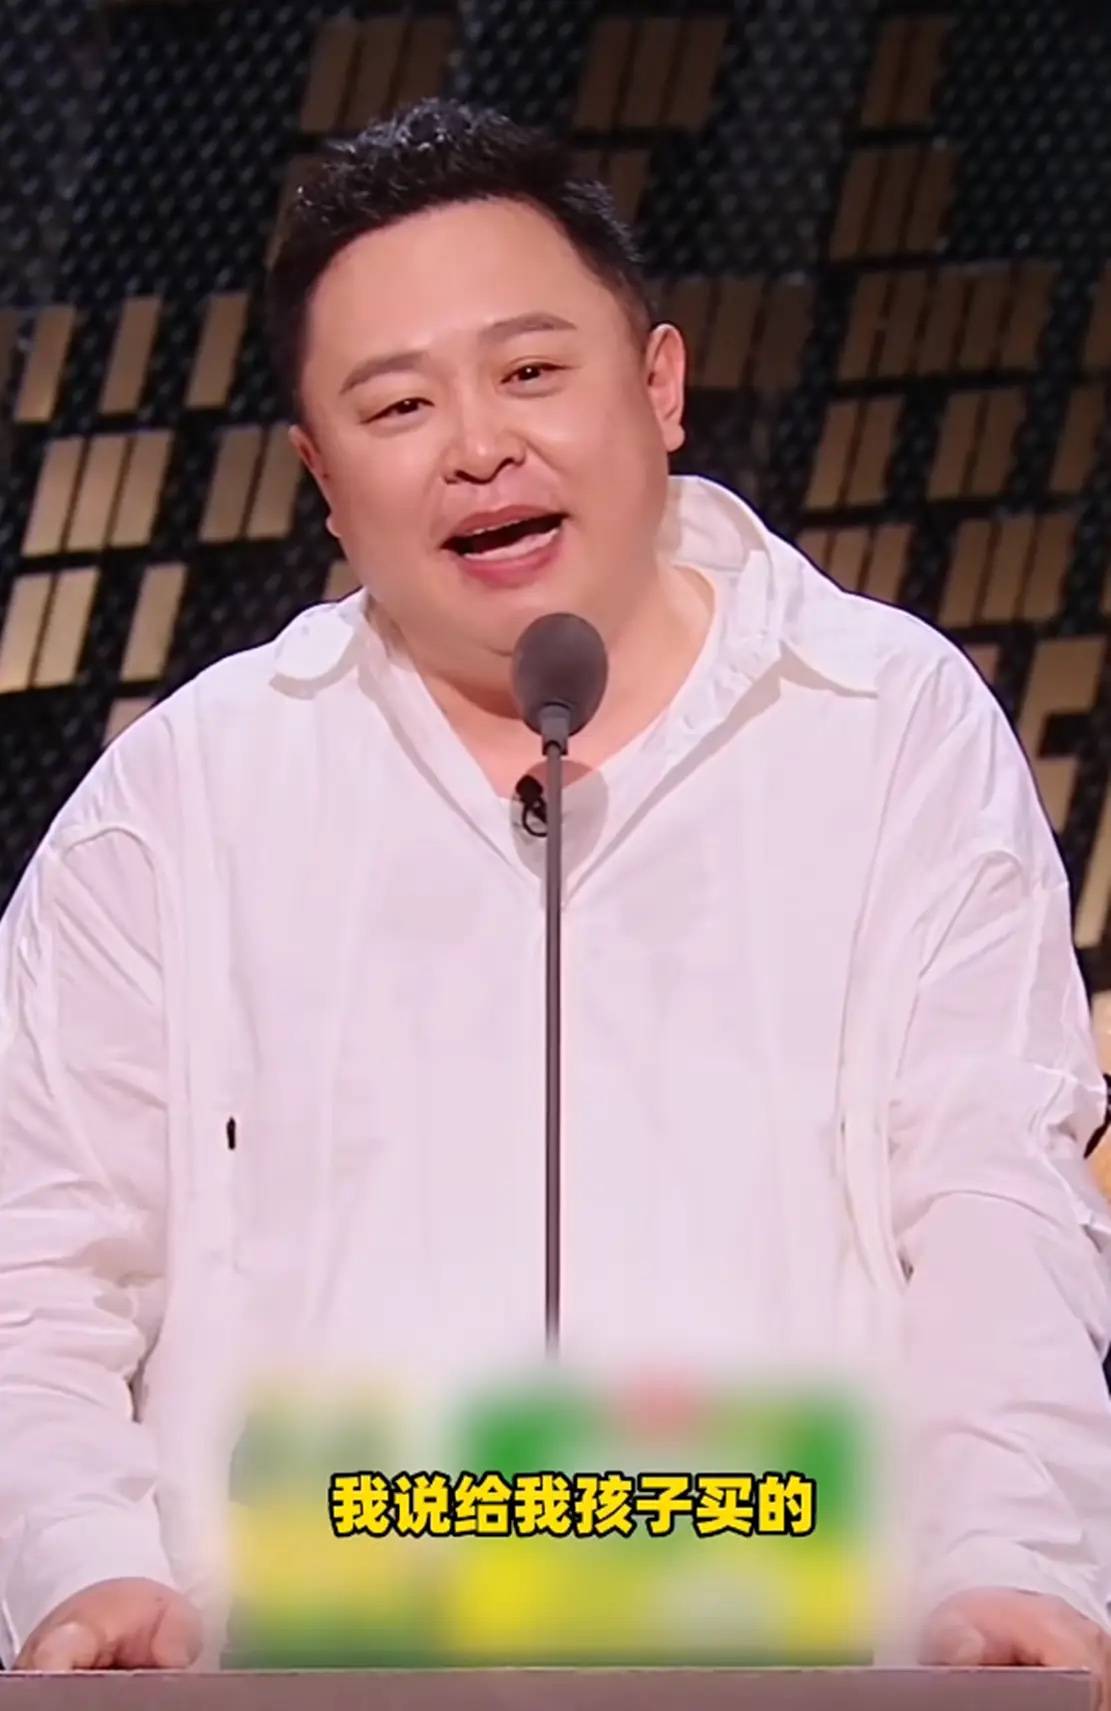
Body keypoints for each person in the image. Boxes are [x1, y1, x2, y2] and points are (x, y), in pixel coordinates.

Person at [1, 97, 1110, 1685]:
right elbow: (33, 1271)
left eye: (530, 372)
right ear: (322, 478)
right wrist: (84, 1567)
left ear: (659, 387)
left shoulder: (888, 728)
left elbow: (997, 1204)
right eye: (398, 406)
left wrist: (1013, 1567)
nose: (478, 447)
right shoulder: (181, 804)